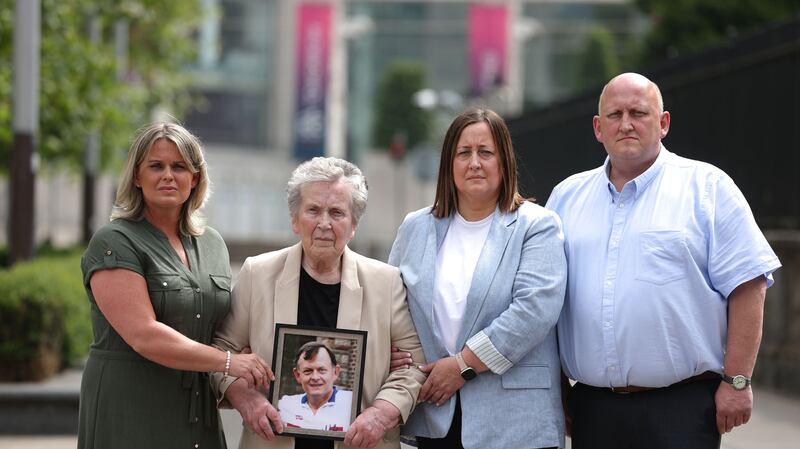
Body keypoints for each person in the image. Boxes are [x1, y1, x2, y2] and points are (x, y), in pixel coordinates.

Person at [545, 72, 782, 449]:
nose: (626, 124)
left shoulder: (708, 188)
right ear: (597, 127)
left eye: (638, 112)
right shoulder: (565, 198)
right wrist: (554, 387)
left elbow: (748, 284)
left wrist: (738, 381)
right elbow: (548, 301)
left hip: (682, 409)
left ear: (664, 122)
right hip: (592, 407)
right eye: (615, 114)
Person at [78, 122, 272, 449]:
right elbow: (143, 334)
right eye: (156, 166)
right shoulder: (113, 241)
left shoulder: (213, 244)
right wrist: (228, 362)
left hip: (197, 411)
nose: (168, 175)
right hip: (131, 409)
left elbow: (227, 329)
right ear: (137, 177)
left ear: (195, 178)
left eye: (179, 166)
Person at [211, 157, 427, 449]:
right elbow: (221, 353)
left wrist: (381, 413)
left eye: (337, 212)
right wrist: (245, 398)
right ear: (294, 219)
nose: (324, 223)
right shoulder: (257, 274)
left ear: (353, 225)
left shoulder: (385, 283)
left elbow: (413, 366)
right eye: (313, 210)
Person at [388, 108, 568, 449]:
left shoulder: (537, 226)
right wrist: (394, 351)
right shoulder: (415, 227)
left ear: (504, 162)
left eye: (486, 152)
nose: (474, 163)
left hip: (516, 424)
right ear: (448, 164)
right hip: (434, 415)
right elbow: (392, 305)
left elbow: (534, 312)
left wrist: (462, 366)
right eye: (463, 153)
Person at [278, 342, 354, 432]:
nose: (315, 377)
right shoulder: (285, 405)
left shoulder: (352, 403)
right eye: (308, 371)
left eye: (321, 370)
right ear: (298, 375)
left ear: (335, 372)